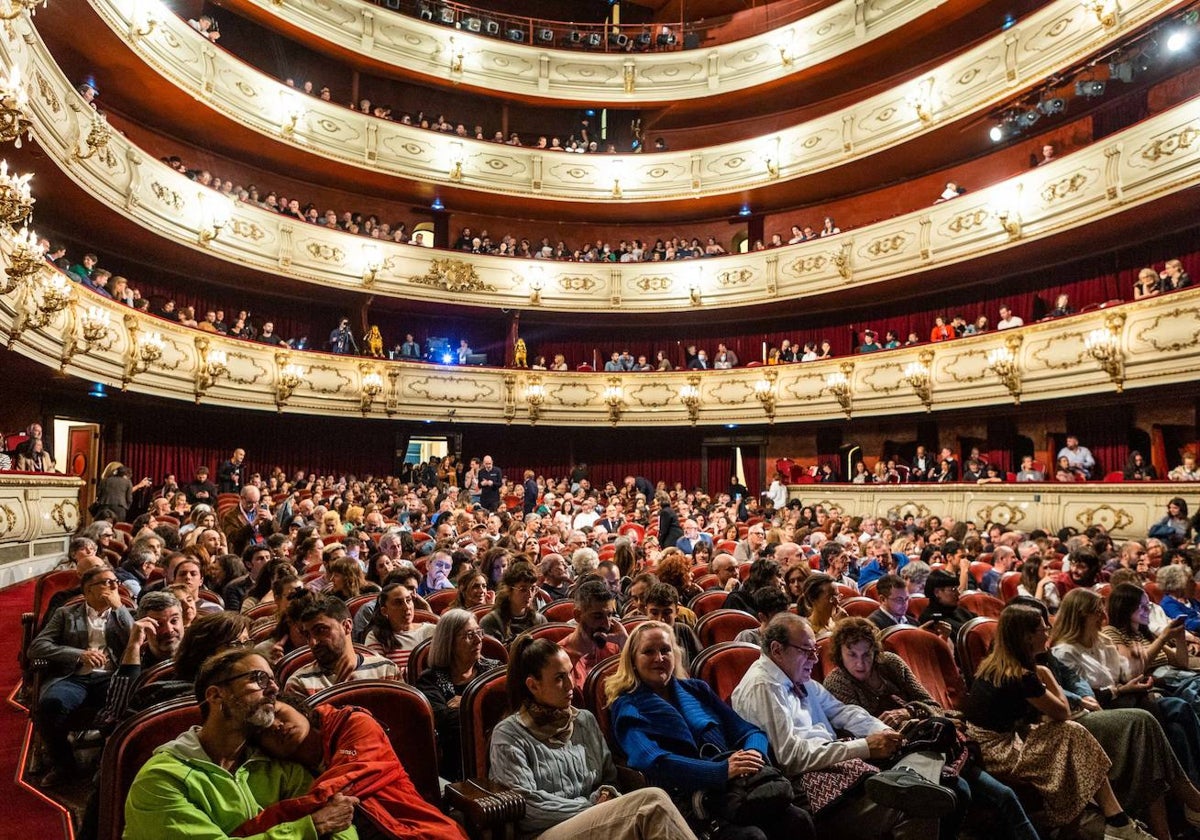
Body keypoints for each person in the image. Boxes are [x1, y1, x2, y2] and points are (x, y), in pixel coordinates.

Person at [822, 618, 1040, 840]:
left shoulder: (890, 664)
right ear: (840, 654)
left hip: (940, 745)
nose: (861, 663)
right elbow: (869, 734)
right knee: (960, 790)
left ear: (875, 652)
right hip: (896, 760)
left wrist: (910, 712)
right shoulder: (837, 682)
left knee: (1005, 795)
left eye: (866, 654)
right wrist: (916, 721)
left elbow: (934, 705)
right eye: (852, 655)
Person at [606, 621, 816, 840]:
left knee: (797, 819)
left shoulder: (696, 689)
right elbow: (651, 760)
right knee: (751, 837)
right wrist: (720, 771)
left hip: (735, 788)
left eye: (665, 650)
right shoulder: (627, 705)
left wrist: (753, 756)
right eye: (648, 652)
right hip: (687, 799)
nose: (659, 658)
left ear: (675, 654)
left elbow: (749, 731)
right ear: (633, 660)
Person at [961, 605, 1154, 840]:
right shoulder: (1022, 676)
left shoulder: (995, 664)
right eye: (1043, 629)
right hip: (995, 751)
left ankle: (1105, 821)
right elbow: (1062, 711)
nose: (1048, 634)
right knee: (1071, 734)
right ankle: (1114, 820)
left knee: (1070, 738)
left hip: (989, 742)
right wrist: (1046, 674)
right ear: (1026, 637)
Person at [123, 649, 358, 840]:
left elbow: (340, 822)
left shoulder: (274, 763)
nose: (274, 689)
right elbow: (324, 821)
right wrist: (311, 827)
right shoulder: (161, 778)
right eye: (259, 679)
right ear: (216, 696)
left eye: (273, 680)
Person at [489, 636, 694, 840]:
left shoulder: (584, 720)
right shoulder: (509, 734)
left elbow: (609, 777)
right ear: (533, 686)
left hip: (597, 820)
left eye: (570, 672)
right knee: (653, 802)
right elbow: (528, 807)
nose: (571, 684)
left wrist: (607, 794)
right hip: (545, 832)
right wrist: (592, 806)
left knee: (654, 807)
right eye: (559, 678)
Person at [241, 693, 466, 839]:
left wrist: (246, 833)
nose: (277, 727)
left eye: (278, 714)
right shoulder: (286, 774)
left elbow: (332, 791)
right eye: (265, 731)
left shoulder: (354, 723)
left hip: (415, 831)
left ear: (299, 707)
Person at [29, 564, 133, 785]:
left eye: (115, 581)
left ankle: (107, 762)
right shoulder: (66, 614)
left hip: (111, 677)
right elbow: (37, 647)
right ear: (87, 591)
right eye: (106, 582)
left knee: (127, 705)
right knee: (50, 705)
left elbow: (138, 644)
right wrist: (79, 654)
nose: (113, 586)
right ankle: (64, 765)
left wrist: (120, 610)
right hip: (74, 677)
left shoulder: (125, 614)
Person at [415, 609, 504, 781]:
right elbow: (446, 722)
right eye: (469, 635)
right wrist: (490, 710)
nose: (479, 640)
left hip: (501, 753)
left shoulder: (494, 670)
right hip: (458, 764)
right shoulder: (430, 680)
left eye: (479, 632)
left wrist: (467, 702)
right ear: (449, 642)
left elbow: (513, 710)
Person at [285, 595, 400, 695]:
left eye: (320, 630)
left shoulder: (385, 670)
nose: (313, 642)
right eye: (307, 635)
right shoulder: (299, 683)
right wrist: (338, 692)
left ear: (347, 626)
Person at [560, 580, 627, 693]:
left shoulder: (614, 646)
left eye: (609, 615)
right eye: (598, 616)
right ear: (577, 615)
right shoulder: (561, 657)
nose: (606, 624)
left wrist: (624, 641)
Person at [481, 561, 548, 644]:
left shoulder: (540, 620)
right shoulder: (491, 622)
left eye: (533, 588)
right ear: (509, 590)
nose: (530, 594)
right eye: (523, 589)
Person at [364, 582, 438, 654]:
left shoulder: (432, 630)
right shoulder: (377, 637)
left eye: (408, 600)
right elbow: (377, 666)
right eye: (398, 603)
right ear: (384, 611)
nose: (406, 607)